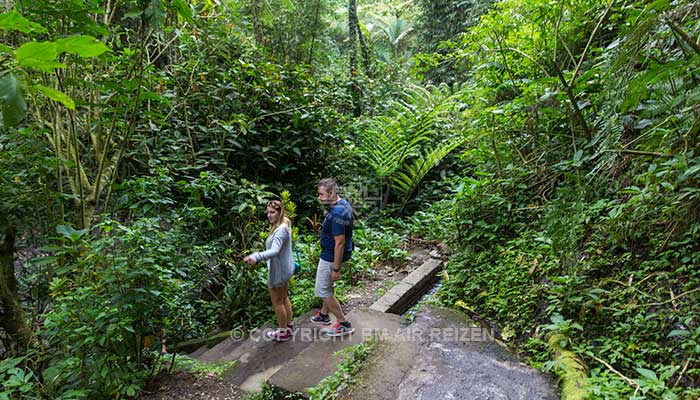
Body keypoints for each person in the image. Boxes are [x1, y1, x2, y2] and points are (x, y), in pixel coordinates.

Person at [244, 200, 295, 341]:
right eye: (268, 212)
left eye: (272, 212)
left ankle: (283, 331)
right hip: (285, 268)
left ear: (280, 212)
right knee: (284, 297)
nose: (269, 215)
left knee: (277, 301)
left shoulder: (280, 231)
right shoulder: (285, 222)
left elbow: (274, 251)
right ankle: (289, 326)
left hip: (278, 271)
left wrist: (256, 256)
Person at [310, 178, 355, 336]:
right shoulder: (343, 204)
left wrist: (336, 268)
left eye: (321, 194)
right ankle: (323, 315)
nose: (319, 197)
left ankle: (343, 323)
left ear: (331, 193)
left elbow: (340, 243)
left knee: (322, 291)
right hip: (334, 253)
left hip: (330, 256)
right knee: (326, 286)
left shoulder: (337, 212)